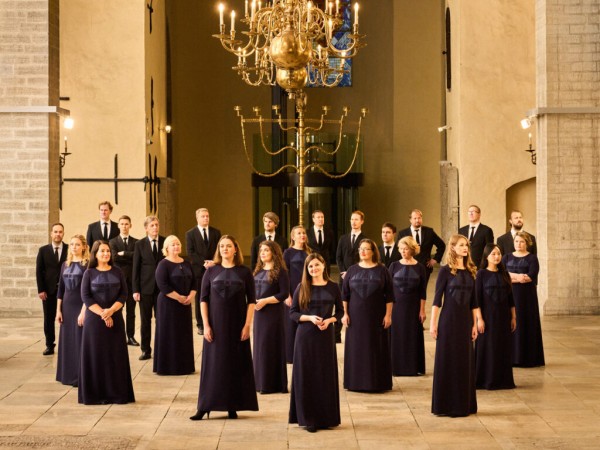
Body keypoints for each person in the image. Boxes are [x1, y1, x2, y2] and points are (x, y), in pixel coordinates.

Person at [190, 235, 258, 420]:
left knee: (234, 364)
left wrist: (247, 325)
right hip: (216, 325)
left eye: (228, 246)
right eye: (221, 246)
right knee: (213, 365)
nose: (225, 249)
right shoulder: (211, 272)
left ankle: (232, 405)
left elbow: (251, 301)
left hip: (237, 325)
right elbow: (203, 299)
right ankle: (204, 406)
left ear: (235, 249)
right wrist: (206, 325)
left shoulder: (245, 272)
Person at [289, 253, 343, 433]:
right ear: (307, 269)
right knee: (307, 375)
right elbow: (293, 313)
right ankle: (308, 418)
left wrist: (330, 321)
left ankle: (326, 418)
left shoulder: (334, 287)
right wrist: (310, 318)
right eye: (310, 266)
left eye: (316, 265)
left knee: (324, 376)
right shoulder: (302, 287)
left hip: (325, 337)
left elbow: (341, 312)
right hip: (305, 337)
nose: (314, 269)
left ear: (323, 265)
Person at [79, 240, 135, 405]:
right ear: (95, 254)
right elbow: (86, 297)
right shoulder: (89, 273)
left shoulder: (117, 271)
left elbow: (124, 294)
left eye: (108, 251)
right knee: (96, 355)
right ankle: (95, 395)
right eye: (102, 251)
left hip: (115, 318)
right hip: (94, 321)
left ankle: (116, 394)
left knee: (115, 356)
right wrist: (103, 314)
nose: (106, 254)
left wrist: (111, 311)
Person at [430, 234, 479, 417]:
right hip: (448, 321)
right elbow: (437, 300)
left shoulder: (471, 271)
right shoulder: (445, 271)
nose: (465, 248)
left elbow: (474, 302)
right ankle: (445, 405)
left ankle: (463, 405)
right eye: (461, 245)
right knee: (447, 361)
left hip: (465, 322)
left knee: (464, 362)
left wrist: (474, 324)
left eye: (466, 245)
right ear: (452, 248)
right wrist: (433, 324)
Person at [341, 239, 393, 392]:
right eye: (360, 249)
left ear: (373, 252)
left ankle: (377, 383)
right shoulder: (351, 270)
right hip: (355, 317)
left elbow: (389, 295)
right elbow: (345, 295)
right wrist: (345, 313)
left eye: (366, 249)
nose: (363, 252)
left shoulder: (382, 270)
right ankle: (355, 382)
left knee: (375, 347)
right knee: (357, 347)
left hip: (376, 316)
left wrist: (388, 315)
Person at [475, 243, 516, 390]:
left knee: (502, 347)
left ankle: (503, 380)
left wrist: (513, 317)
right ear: (486, 256)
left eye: (499, 254)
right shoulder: (481, 274)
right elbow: (477, 299)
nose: (497, 256)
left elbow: (511, 298)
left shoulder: (505, 274)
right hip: (487, 317)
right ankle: (486, 380)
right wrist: (480, 319)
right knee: (488, 347)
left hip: (503, 318)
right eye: (493, 254)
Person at [153, 235, 196, 376]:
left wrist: (191, 296)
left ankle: (184, 366)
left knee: (183, 334)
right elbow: (162, 285)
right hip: (168, 304)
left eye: (177, 244)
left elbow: (194, 283)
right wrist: (178, 297)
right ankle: (167, 367)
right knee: (169, 333)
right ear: (167, 248)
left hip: (185, 304)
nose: (176, 246)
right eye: (173, 244)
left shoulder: (187, 263)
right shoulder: (163, 264)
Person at [503, 232, 545, 367]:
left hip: (527, 297)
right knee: (510, 323)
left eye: (521, 242)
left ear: (527, 243)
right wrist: (518, 277)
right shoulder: (506, 257)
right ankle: (511, 357)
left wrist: (513, 277)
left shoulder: (532, 258)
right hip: (510, 294)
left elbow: (530, 276)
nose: (518, 244)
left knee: (525, 323)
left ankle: (527, 358)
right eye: (516, 241)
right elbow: (502, 275)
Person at [253, 240, 290, 393]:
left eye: (266, 250)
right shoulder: (257, 271)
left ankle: (272, 384)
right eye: (261, 250)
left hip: (273, 314)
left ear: (274, 253)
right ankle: (259, 383)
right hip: (258, 313)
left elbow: (283, 294)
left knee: (270, 346)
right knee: (259, 347)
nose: (262, 253)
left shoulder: (281, 271)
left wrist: (265, 301)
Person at [388, 236, 427, 376]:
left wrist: (422, 310)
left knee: (412, 335)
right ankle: (396, 368)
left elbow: (423, 291)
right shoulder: (393, 266)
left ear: (412, 249)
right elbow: (388, 289)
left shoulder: (420, 267)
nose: (403, 251)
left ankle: (413, 367)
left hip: (413, 307)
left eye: (405, 249)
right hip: (396, 307)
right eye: (401, 249)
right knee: (397, 335)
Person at [55, 235, 89, 386]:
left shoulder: (87, 265)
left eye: (77, 244)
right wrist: (58, 310)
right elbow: (60, 290)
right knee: (67, 340)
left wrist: (83, 311)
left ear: (83, 247)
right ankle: (67, 375)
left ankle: (80, 375)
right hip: (67, 307)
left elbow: (88, 291)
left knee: (79, 339)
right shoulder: (65, 265)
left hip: (80, 305)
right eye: (72, 244)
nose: (74, 247)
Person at [132, 216, 165, 360]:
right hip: (145, 289)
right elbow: (136, 269)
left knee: (162, 320)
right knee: (145, 321)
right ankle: (146, 350)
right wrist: (135, 290)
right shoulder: (140, 244)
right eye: (152, 225)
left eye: (157, 225)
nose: (155, 228)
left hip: (162, 289)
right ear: (146, 228)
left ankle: (162, 349)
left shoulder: (165, 242)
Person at [185, 208, 221, 335]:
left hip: (214, 269)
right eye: (203, 216)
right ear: (197, 218)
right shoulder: (190, 234)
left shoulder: (216, 232)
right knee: (201, 296)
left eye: (207, 216)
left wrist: (213, 262)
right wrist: (204, 263)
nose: (206, 218)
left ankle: (213, 320)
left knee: (214, 295)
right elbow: (190, 252)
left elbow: (219, 250)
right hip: (198, 270)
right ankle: (200, 323)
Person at [36, 223, 68, 355]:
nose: (57, 234)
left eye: (60, 232)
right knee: (48, 318)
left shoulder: (68, 249)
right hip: (48, 291)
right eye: (55, 232)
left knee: (67, 318)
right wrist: (41, 290)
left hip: (66, 290)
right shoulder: (43, 250)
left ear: (63, 233)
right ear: (51, 233)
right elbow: (39, 271)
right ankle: (50, 345)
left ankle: (67, 344)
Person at [335, 210, 367, 343]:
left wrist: (353, 273)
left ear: (362, 222)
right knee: (340, 304)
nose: (353, 222)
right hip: (343, 276)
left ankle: (356, 331)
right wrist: (343, 272)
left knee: (355, 304)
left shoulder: (365, 240)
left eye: (356, 219)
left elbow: (364, 258)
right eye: (352, 219)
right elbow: (338, 257)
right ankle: (336, 334)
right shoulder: (343, 238)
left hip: (358, 278)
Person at [282, 225, 311, 363]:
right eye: (299, 233)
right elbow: (284, 274)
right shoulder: (288, 253)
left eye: (304, 233)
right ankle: (290, 356)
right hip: (292, 290)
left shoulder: (309, 252)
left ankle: (303, 354)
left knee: (305, 320)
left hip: (307, 290)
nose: (302, 235)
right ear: (293, 237)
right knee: (291, 323)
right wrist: (287, 295)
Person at [109, 215, 139, 346]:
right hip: (118, 281)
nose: (124, 226)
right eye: (122, 224)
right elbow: (114, 258)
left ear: (130, 225)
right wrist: (129, 256)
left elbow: (137, 257)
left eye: (127, 224)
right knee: (117, 310)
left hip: (132, 281)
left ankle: (130, 337)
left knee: (131, 312)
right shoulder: (113, 242)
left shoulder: (136, 242)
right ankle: (118, 336)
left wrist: (124, 254)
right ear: (118, 226)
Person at [397, 209, 445, 287]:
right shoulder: (403, 233)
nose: (417, 220)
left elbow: (441, 245)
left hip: (425, 267)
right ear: (410, 220)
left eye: (419, 218)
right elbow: (398, 250)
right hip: (407, 267)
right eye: (415, 218)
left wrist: (435, 259)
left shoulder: (429, 232)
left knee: (422, 292)